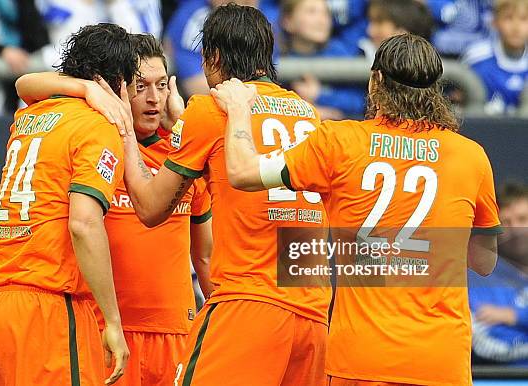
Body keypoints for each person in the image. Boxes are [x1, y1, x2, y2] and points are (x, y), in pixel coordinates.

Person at [212, 33, 501, 386]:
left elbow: (242, 173)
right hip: (441, 361)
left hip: (361, 359)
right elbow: (485, 262)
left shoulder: (340, 142)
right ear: (435, 89)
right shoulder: (471, 156)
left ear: (375, 81)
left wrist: (240, 109)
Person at [115, 4, 330, 385]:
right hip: (312, 317)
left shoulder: (211, 109)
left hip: (249, 307)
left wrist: (127, 134)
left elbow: (149, 208)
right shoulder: (308, 115)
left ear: (212, 58)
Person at [14, 33, 215, 386]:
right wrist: (88, 90)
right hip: (105, 331)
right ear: (118, 87)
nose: (153, 99)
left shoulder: (184, 155)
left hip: (175, 333)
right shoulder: (96, 138)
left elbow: (206, 258)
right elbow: (26, 83)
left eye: (162, 85)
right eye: (140, 87)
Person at [0, 23, 137, 386]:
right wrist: (111, 321)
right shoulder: (97, 125)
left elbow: (25, 84)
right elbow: (83, 223)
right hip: (48, 311)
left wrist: (82, 86)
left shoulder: (30, 115)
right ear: (116, 84)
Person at [165, 0, 279, 96]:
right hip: (217, 106)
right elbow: (195, 84)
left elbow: (267, 75)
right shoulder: (194, 19)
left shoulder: (264, 17)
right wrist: (240, 101)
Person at [470, 182, 528, 365]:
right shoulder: (475, 279)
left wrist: (514, 316)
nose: (516, 229)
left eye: (523, 219)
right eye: (506, 222)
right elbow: (483, 344)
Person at [280, 0, 365, 118]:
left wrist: (319, 95)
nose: (322, 20)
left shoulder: (339, 52)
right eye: (311, 12)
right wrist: (307, 111)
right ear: (287, 21)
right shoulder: (275, 55)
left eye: (326, 13)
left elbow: (361, 101)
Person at [463, 0, 527, 115]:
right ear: (495, 21)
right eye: (508, 18)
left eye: (523, 19)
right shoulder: (476, 57)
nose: (516, 27)